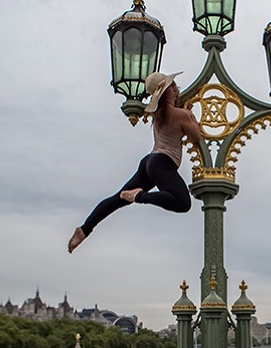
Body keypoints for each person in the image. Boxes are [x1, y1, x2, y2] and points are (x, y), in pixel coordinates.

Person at [68, 71, 201, 253]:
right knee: (183, 203)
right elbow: (196, 136)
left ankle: (85, 229)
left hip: (150, 162)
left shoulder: (158, 113)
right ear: (165, 92)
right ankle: (139, 196)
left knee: (118, 198)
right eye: (172, 86)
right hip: (163, 163)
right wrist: (191, 116)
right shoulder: (180, 114)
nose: (176, 88)